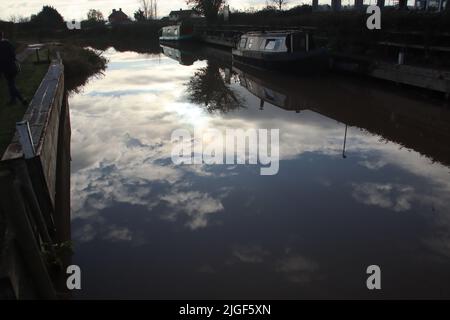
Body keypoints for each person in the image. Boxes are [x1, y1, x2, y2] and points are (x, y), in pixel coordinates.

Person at [0, 31, 27, 106]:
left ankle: (22, 99)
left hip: (6, 68)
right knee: (11, 84)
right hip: (12, 66)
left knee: (11, 85)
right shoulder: (7, 42)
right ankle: (13, 100)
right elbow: (13, 54)